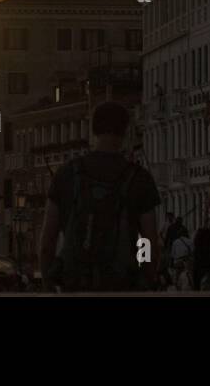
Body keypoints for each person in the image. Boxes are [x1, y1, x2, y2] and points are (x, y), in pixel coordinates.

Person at [39, 101, 161, 292]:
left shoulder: (66, 174)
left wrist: (48, 283)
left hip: (75, 285)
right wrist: (146, 278)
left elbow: (48, 241)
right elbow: (149, 241)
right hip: (121, 286)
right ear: (125, 131)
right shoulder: (139, 178)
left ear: (93, 129)